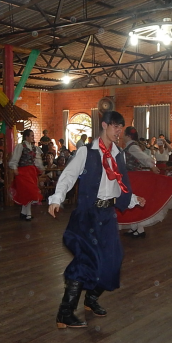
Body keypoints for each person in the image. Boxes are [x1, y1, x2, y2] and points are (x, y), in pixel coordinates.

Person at [47, 111, 145, 329]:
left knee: (113, 259)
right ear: (104, 125)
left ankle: (91, 300)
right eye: (115, 126)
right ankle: (65, 312)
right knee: (86, 260)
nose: (118, 131)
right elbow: (69, 175)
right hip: (88, 215)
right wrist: (56, 199)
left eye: (121, 127)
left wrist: (132, 200)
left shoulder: (118, 154)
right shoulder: (87, 152)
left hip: (107, 215)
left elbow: (119, 185)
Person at [118, 127, 172, 238]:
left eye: (124, 134)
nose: (122, 136)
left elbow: (144, 157)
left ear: (128, 136)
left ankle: (139, 230)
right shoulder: (130, 146)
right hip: (130, 177)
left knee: (135, 202)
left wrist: (152, 166)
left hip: (133, 177)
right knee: (133, 202)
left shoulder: (132, 147)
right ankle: (134, 228)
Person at [9, 129, 44, 221]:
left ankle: (23, 213)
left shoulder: (34, 148)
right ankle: (28, 214)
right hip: (23, 172)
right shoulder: (20, 146)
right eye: (31, 135)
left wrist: (40, 168)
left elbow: (37, 160)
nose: (33, 137)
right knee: (28, 192)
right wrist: (15, 168)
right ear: (26, 137)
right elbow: (14, 159)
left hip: (31, 172)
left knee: (28, 192)